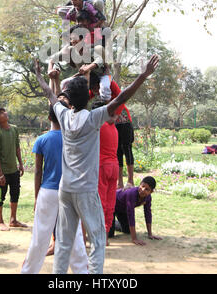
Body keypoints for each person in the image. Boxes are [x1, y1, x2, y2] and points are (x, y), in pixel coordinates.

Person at [34, 53, 159, 274]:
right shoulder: (93, 118)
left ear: (69, 100)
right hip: (85, 190)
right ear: (88, 99)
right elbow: (123, 98)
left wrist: (39, 76)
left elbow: (50, 95)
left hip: (65, 189)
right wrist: (143, 75)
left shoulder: (63, 115)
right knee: (98, 239)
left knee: (64, 241)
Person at [21, 103, 88, 274]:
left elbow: (38, 171)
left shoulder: (42, 140)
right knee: (75, 236)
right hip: (70, 190)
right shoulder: (74, 138)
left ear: (49, 118)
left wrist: (37, 197)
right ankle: (82, 271)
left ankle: (28, 271)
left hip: (48, 191)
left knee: (40, 235)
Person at [89, 72, 135, 188]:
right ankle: (119, 182)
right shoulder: (92, 89)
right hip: (110, 122)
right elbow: (85, 98)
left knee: (127, 149)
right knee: (117, 151)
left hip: (123, 119)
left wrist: (116, 116)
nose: (95, 90)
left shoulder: (110, 84)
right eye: (93, 88)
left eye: (96, 87)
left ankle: (130, 180)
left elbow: (122, 98)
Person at [49, 26, 112, 102]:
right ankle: (66, 107)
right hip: (84, 77)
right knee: (64, 83)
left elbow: (99, 60)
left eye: (74, 39)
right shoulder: (70, 50)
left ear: (82, 40)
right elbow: (52, 59)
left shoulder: (91, 49)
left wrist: (88, 67)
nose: (72, 41)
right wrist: (50, 70)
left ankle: (109, 109)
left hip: (101, 75)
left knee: (105, 89)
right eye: (71, 39)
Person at [0, 108, 27, 231]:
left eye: (4, 111)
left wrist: (21, 164)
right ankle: (0, 222)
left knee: (15, 194)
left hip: (14, 170)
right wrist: (0, 174)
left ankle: (13, 220)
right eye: (1, 113)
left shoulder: (14, 129)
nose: (5, 113)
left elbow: (17, 147)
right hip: (1, 172)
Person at [91, 101, 119, 247]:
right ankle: (106, 236)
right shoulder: (113, 127)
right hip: (114, 166)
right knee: (110, 203)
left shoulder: (99, 126)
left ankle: (99, 237)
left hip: (102, 166)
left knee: (100, 203)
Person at [108, 176, 162, 245]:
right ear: (139, 184)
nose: (143, 190)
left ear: (151, 192)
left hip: (122, 209)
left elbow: (148, 213)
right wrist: (134, 239)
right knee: (110, 234)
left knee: (127, 230)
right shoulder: (132, 194)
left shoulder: (148, 198)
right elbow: (131, 215)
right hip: (112, 205)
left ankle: (113, 223)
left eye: (147, 189)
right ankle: (105, 222)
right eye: (142, 186)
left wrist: (150, 234)